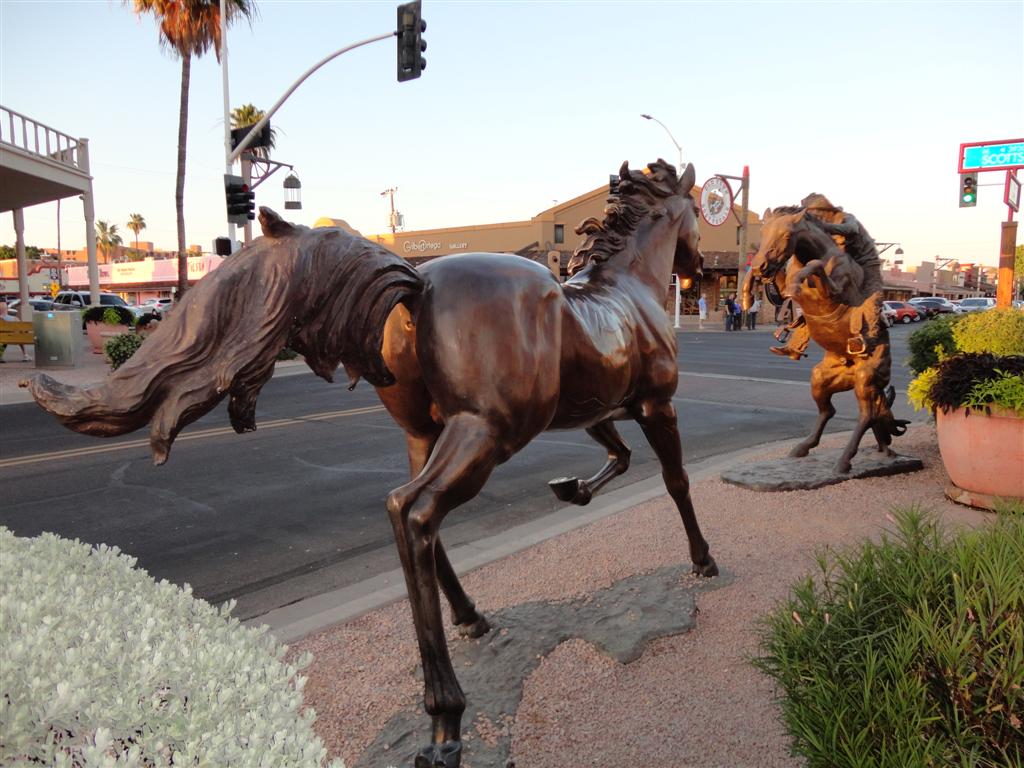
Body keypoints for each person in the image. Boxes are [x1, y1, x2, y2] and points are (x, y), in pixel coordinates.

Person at [770, 193, 885, 359]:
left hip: (866, 264)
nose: (812, 216)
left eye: (813, 212)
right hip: (843, 260)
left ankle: (865, 339)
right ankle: (795, 345)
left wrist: (824, 227)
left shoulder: (845, 218)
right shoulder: (820, 226)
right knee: (814, 301)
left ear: (824, 209)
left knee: (873, 298)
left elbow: (850, 230)